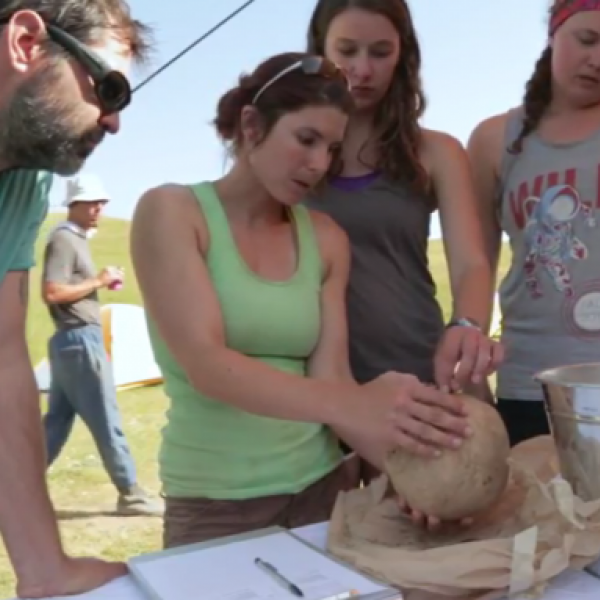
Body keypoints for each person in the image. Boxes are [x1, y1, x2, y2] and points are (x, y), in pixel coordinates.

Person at [130, 51, 472, 549]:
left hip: (321, 494)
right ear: (251, 125)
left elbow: (329, 378)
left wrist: (409, 472)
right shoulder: (173, 211)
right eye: (305, 139)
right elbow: (207, 364)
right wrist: (365, 402)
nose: (318, 165)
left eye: (332, 148)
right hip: (215, 503)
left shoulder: (326, 237)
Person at [304, 0, 503, 487]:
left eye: (381, 52)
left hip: (419, 375)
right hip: (317, 390)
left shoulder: (434, 150)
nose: (362, 70)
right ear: (320, 52)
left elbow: (472, 264)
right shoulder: (295, 149)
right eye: (346, 51)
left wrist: (468, 324)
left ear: (403, 57)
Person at [0, 1, 152, 597]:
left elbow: (6, 360)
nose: (113, 122)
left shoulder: (24, 176)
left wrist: (43, 569)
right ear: (26, 42)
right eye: (109, 88)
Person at [468, 0, 600, 446]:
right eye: (587, 40)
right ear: (553, 35)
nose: (597, 59)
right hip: (530, 383)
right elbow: (476, 264)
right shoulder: (494, 140)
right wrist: (471, 367)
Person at [41, 173, 161, 517]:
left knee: (55, 425)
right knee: (106, 418)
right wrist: (98, 280)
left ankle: (16, 490)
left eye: (102, 203)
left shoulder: (74, 239)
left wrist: (99, 282)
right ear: (73, 205)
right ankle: (131, 494)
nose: (99, 208)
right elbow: (51, 293)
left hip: (71, 340)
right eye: (92, 203)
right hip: (79, 338)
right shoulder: (64, 239)